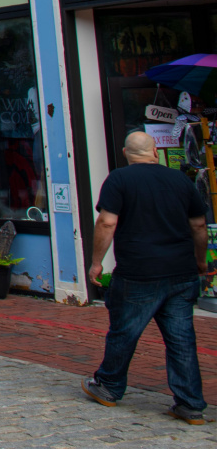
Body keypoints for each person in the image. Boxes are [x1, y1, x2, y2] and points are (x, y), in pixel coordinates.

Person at [84, 131, 209, 424]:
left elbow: (107, 222)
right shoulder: (180, 180)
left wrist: (96, 263)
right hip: (181, 270)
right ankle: (190, 404)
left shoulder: (119, 179)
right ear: (154, 151)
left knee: (125, 331)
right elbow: (199, 224)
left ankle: (109, 386)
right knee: (181, 338)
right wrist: (200, 260)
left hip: (139, 270)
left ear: (127, 153)